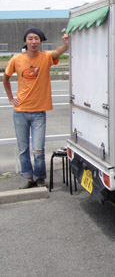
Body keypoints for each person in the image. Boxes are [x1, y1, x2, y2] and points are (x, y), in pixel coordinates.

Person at [2, 27, 69, 189]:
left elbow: (58, 52)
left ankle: (39, 178)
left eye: (36, 39)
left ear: (40, 41)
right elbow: (6, 77)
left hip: (38, 112)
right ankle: (28, 178)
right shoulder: (16, 59)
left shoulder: (45, 57)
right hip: (20, 113)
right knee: (23, 149)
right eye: (30, 39)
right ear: (25, 41)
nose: (33, 42)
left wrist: (66, 44)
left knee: (38, 150)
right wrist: (11, 98)